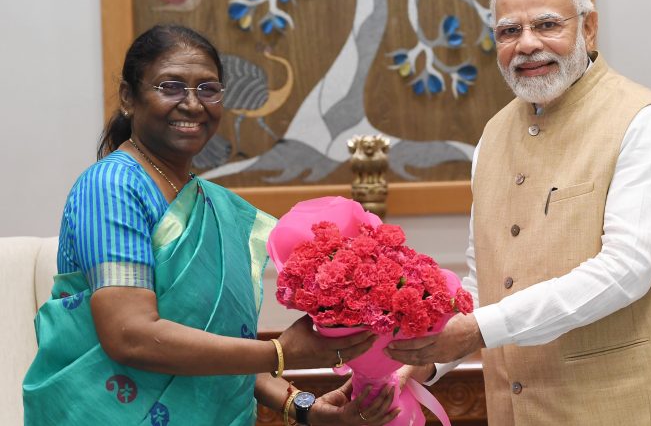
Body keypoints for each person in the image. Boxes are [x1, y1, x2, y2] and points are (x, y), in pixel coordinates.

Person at [23, 24, 399, 426]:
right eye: (171, 86)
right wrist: (281, 352)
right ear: (129, 97)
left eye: (208, 89)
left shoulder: (214, 206)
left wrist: (305, 407)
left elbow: (222, 345)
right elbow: (129, 335)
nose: (192, 104)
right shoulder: (112, 186)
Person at [386, 0, 651, 424]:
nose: (526, 45)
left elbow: (626, 270)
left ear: (588, 29)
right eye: (509, 31)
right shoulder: (492, 136)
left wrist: (479, 329)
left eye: (546, 25)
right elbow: (484, 282)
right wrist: (426, 359)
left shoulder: (645, 121)